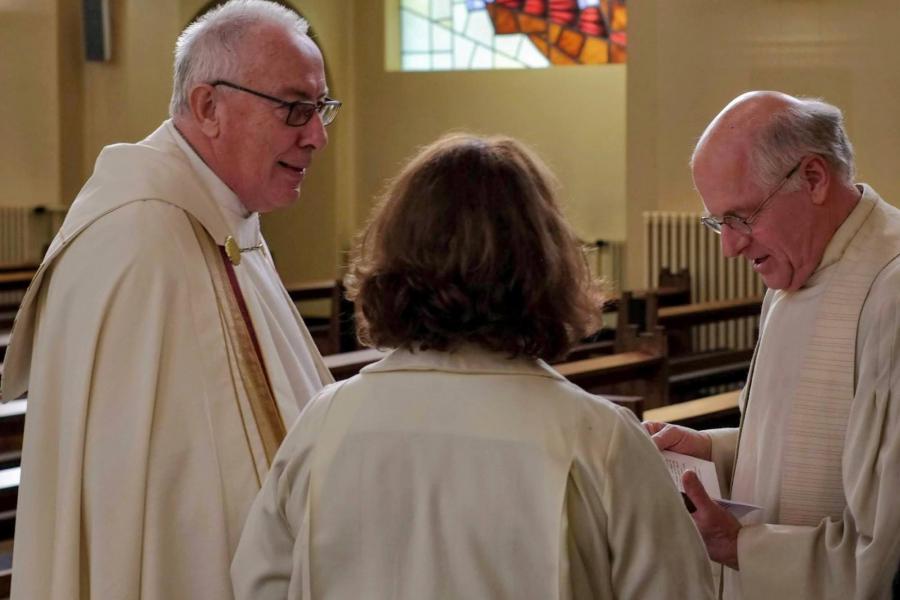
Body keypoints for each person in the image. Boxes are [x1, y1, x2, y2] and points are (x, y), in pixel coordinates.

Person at [230, 133, 716, 600]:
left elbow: (261, 582)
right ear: (545, 264)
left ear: (393, 259)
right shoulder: (598, 438)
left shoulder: (325, 421)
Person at [1, 1, 340, 598]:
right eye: (296, 109)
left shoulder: (226, 222)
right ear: (209, 107)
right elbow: (141, 511)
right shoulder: (138, 241)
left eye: (321, 109)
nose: (316, 136)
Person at [644, 91, 900, 599]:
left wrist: (744, 549)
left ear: (813, 178)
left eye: (741, 217)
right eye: (718, 221)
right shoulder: (793, 275)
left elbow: (886, 551)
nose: (729, 246)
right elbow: (825, 448)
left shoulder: (889, 290)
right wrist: (711, 453)